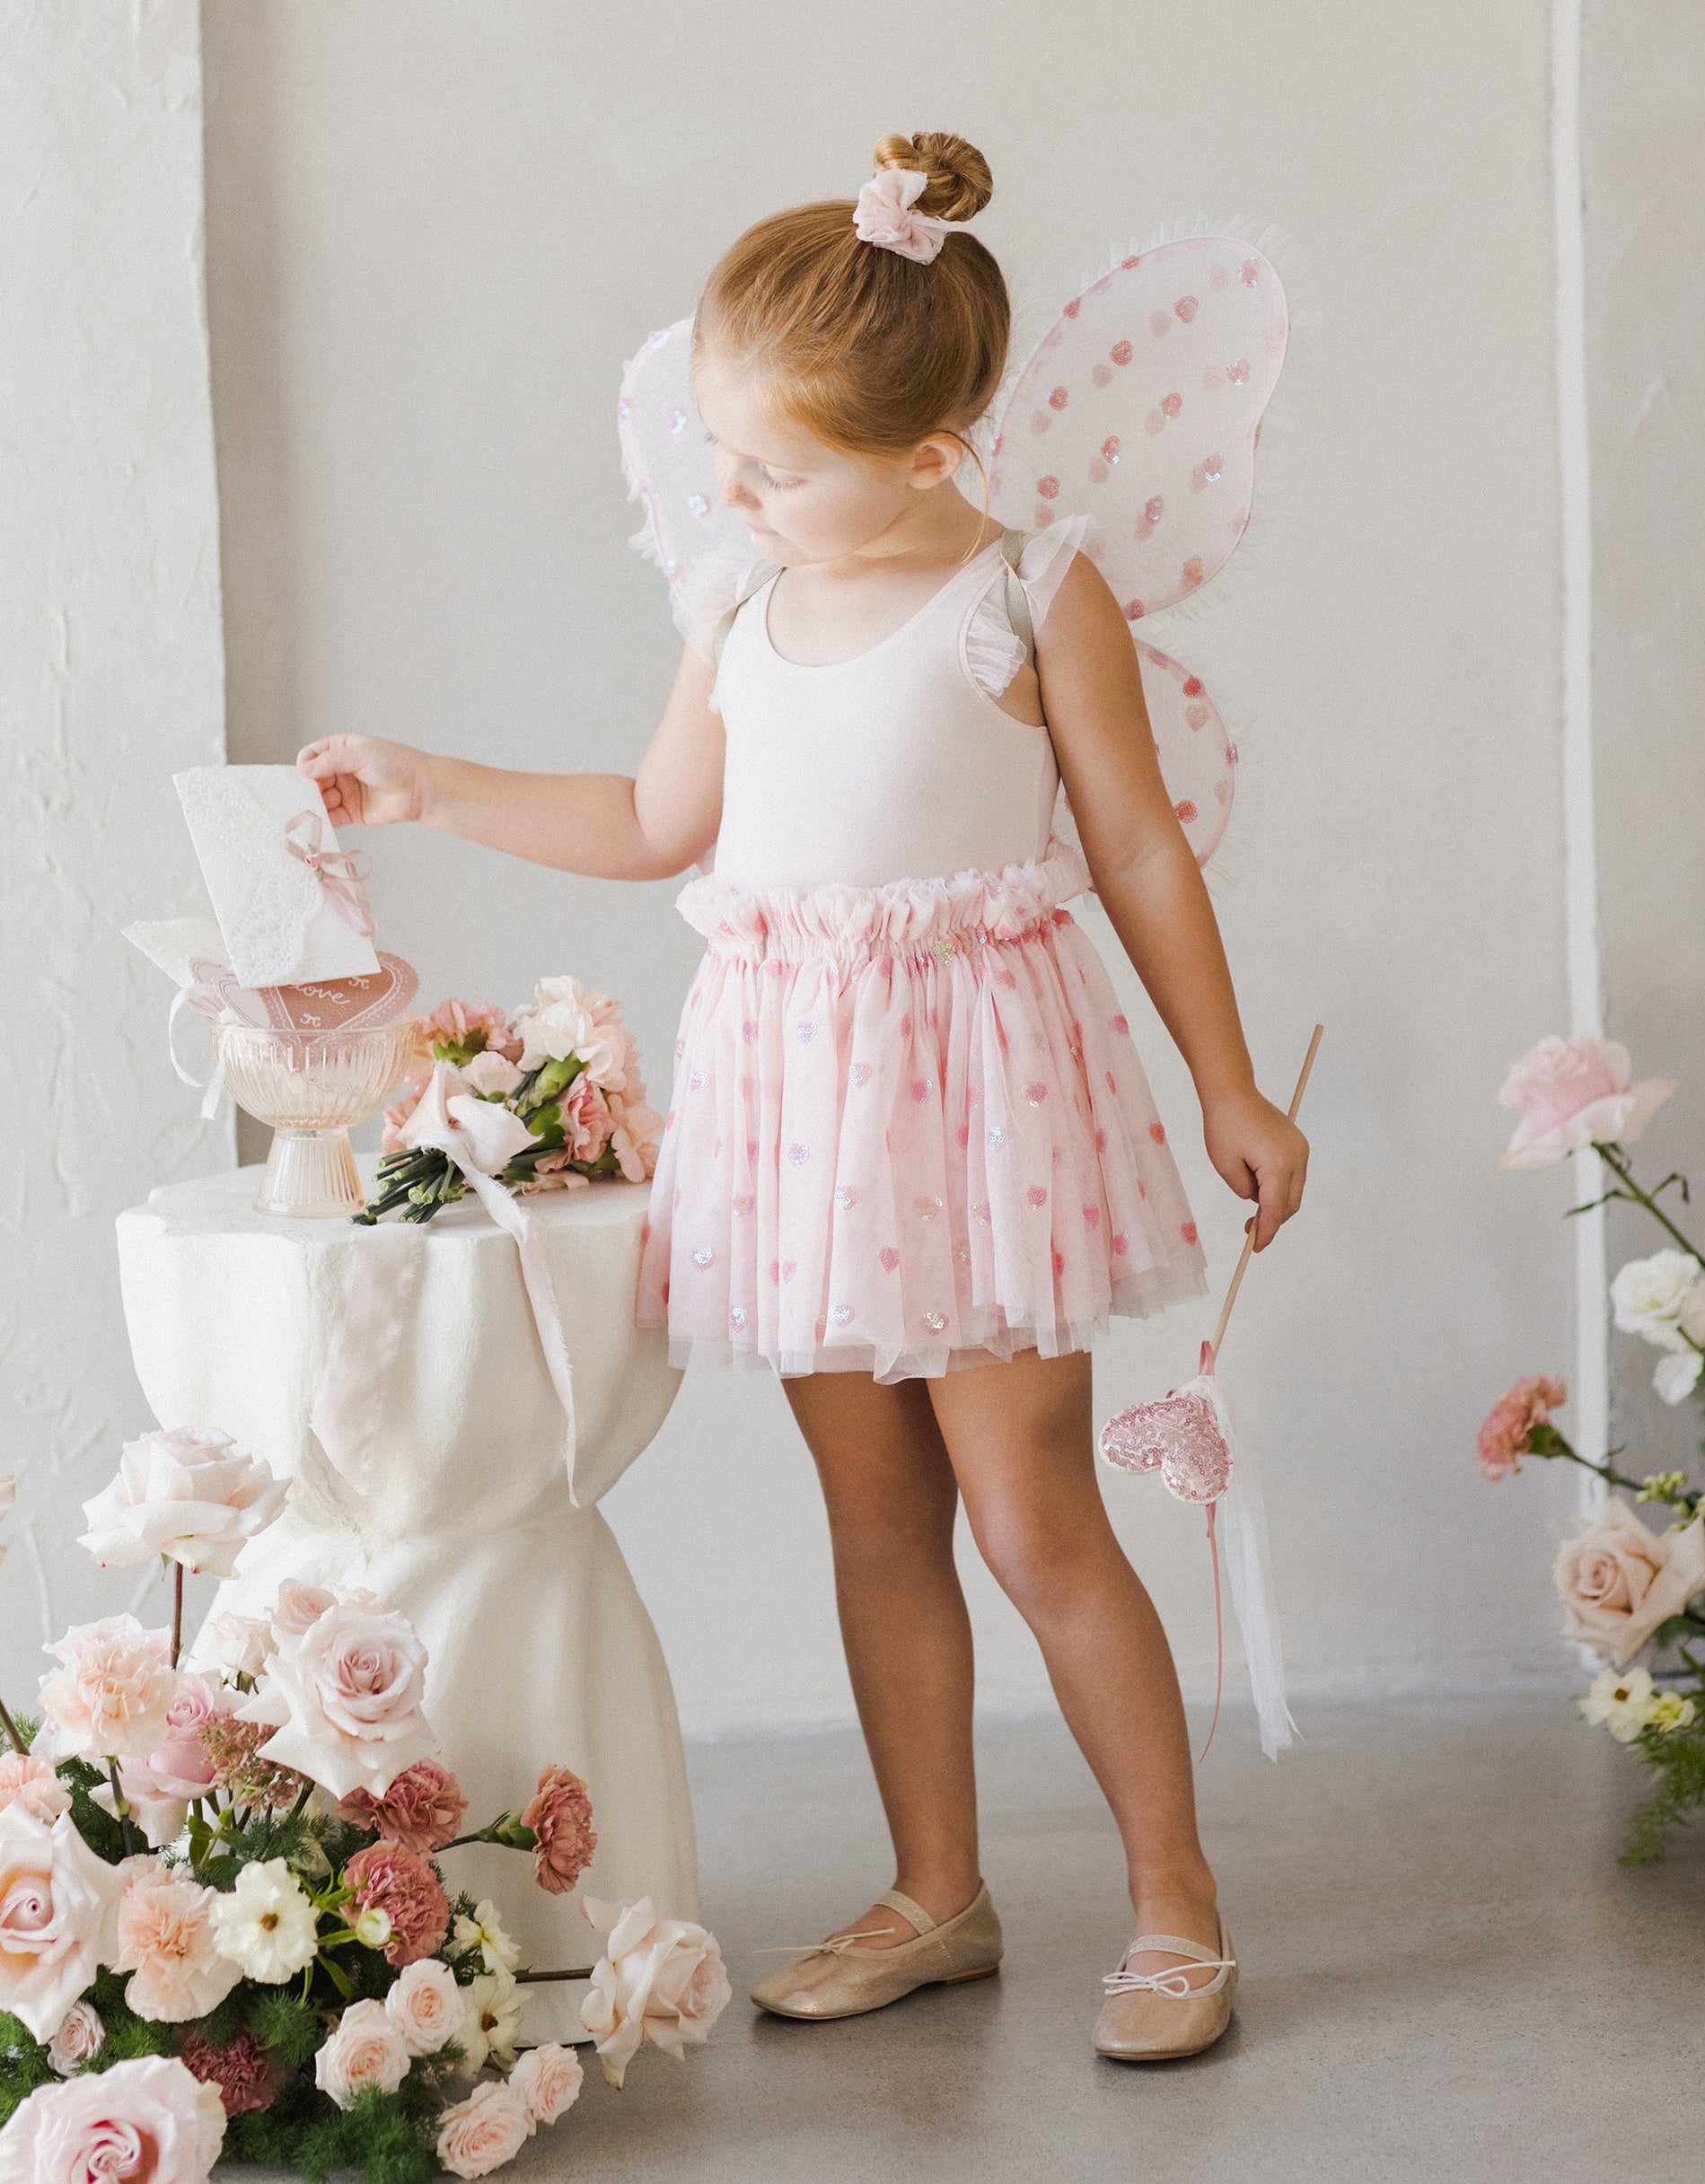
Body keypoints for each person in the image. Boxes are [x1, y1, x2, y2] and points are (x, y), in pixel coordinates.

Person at [300, 128, 1308, 2062]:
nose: (730, 492)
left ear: (930, 454)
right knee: (875, 1517)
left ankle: (1174, 1896)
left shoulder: (1028, 590)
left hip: (979, 1103)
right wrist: (433, 782)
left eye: (769, 467)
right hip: (803, 1113)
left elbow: (1143, 851)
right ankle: (938, 1884)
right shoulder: (734, 612)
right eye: (719, 451)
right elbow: (650, 818)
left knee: (1033, 1520)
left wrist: (1229, 1083)